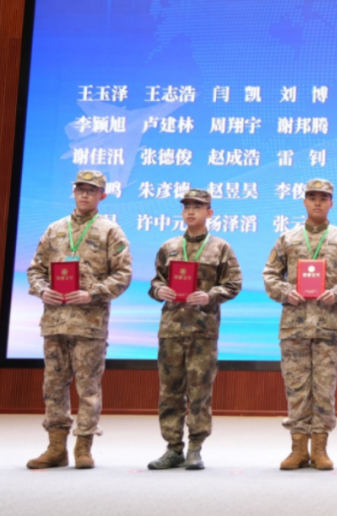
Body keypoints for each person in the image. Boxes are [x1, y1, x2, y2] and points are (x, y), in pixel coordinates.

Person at [25, 170, 133, 469]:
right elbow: (35, 270)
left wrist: (92, 294)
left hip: (89, 322)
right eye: (80, 189)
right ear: (73, 192)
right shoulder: (55, 229)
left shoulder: (110, 231)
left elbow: (123, 274)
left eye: (92, 190)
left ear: (103, 196)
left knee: (88, 387)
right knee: (53, 385)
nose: (85, 194)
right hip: (55, 320)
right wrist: (42, 290)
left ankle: (83, 446)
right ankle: (55, 448)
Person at [263, 179, 337, 471]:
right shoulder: (288, 238)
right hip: (294, 325)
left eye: (323, 198)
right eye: (312, 197)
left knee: (323, 388)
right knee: (296, 388)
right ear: (304, 201)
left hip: (328, 326)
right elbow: (270, 274)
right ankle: (297, 449)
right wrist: (285, 292)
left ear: (331, 203)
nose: (317, 202)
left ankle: (320, 448)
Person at [146, 189, 242, 471]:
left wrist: (209, 296)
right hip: (171, 329)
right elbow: (155, 282)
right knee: (170, 391)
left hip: (203, 330)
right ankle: (173, 448)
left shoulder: (220, 247)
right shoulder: (169, 246)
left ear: (209, 213)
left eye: (197, 207)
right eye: (187, 206)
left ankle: (195, 448)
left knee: (200, 391)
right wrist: (159, 290)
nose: (190, 211)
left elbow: (233, 284)